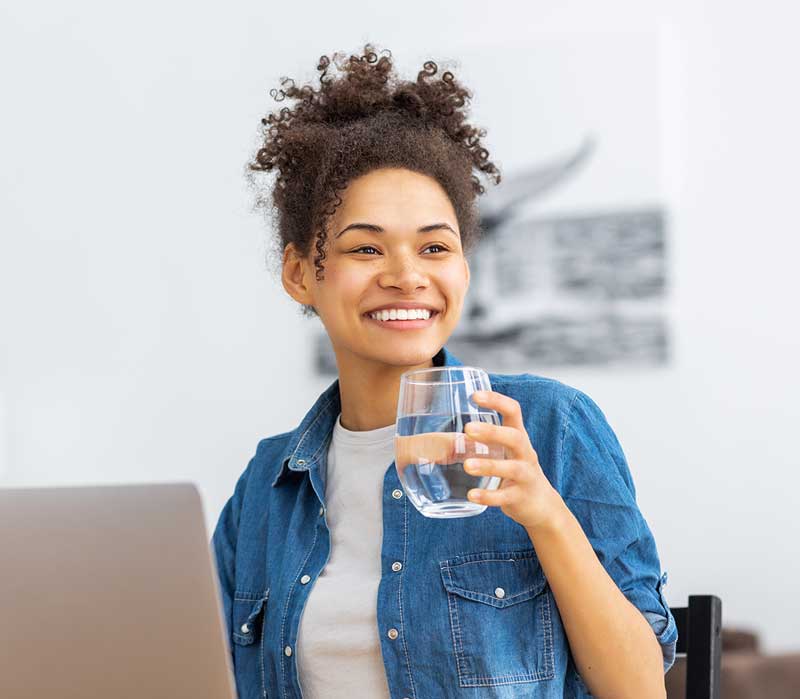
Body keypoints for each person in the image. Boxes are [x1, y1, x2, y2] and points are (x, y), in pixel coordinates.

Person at [211, 42, 677, 699]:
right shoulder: (265, 488)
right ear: (299, 273)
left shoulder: (552, 426)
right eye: (365, 247)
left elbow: (640, 689)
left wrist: (544, 512)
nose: (407, 275)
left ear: (463, 267)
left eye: (435, 246)